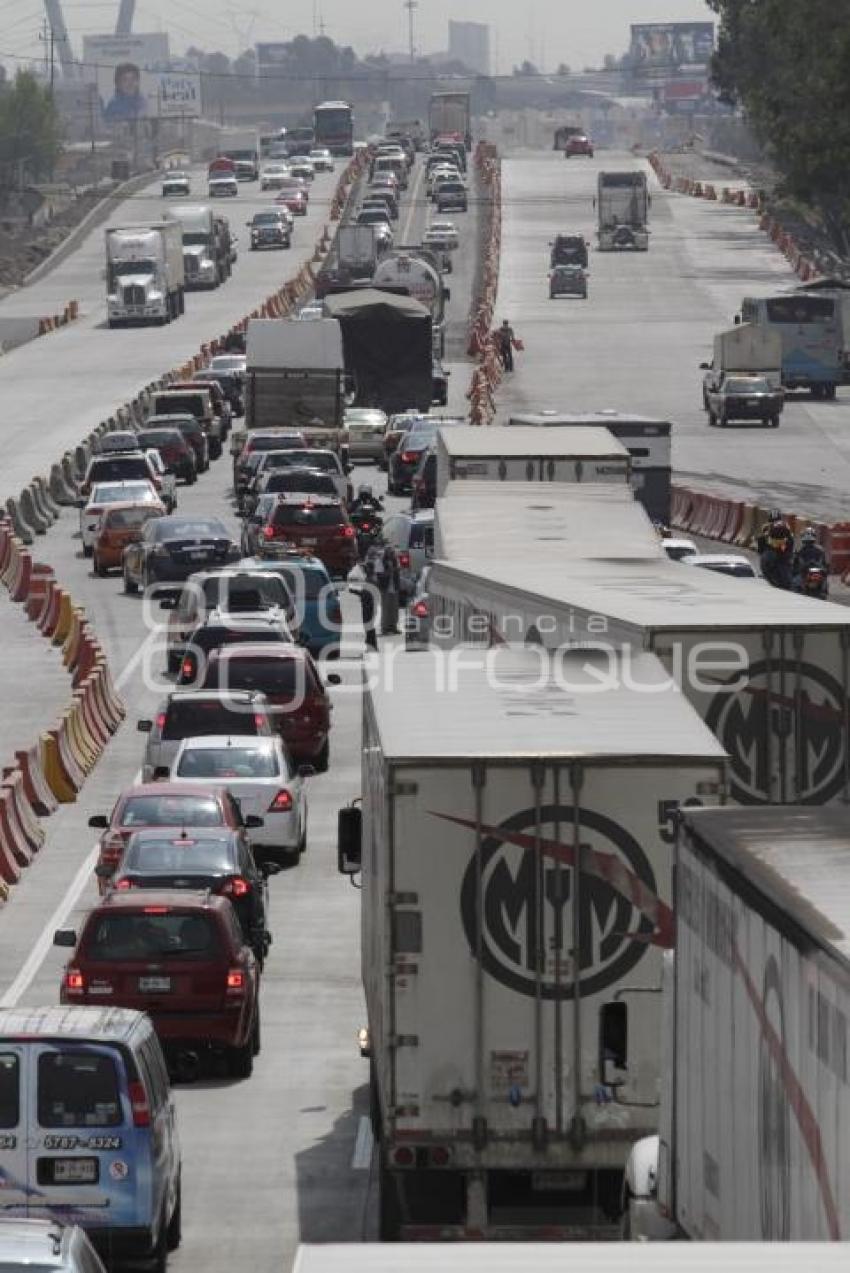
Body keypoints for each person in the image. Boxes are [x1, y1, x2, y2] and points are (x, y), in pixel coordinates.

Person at [364, 541, 401, 634]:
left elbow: (399, 571)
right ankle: (385, 627)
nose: (392, 553)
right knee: (386, 608)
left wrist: (395, 570)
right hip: (385, 587)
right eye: (390, 551)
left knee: (394, 608)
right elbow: (378, 574)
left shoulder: (395, 560)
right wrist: (389, 572)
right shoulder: (381, 560)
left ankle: (393, 626)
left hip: (394, 586)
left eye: (392, 551)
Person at [756, 508, 794, 590]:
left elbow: (790, 538)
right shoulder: (767, 527)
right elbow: (762, 538)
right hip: (772, 550)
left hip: (783, 551)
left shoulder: (785, 526)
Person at [793, 527, 829, 595]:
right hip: (812, 573)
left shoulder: (799, 550)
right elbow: (825, 565)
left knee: (795, 583)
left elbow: (795, 565)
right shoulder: (820, 549)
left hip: (806, 572)